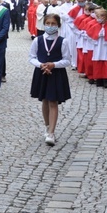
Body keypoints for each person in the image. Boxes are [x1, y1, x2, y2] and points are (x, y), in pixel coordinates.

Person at [29, 14, 71, 146]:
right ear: (44, 24)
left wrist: (54, 65)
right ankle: (47, 126)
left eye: (53, 24)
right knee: (45, 100)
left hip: (56, 74)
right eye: (48, 23)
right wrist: (41, 65)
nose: (50, 26)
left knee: (53, 101)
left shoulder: (62, 41)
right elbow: (31, 57)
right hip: (41, 72)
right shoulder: (38, 40)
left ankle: (51, 132)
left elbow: (67, 60)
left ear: (58, 25)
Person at [85, 8, 107, 88]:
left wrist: (106, 37)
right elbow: (89, 37)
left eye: (98, 16)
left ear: (104, 17)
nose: (97, 18)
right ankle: (99, 79)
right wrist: (98, 36)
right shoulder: (95, 26)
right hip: (98, 47)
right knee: (98, 62)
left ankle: (106, 80)